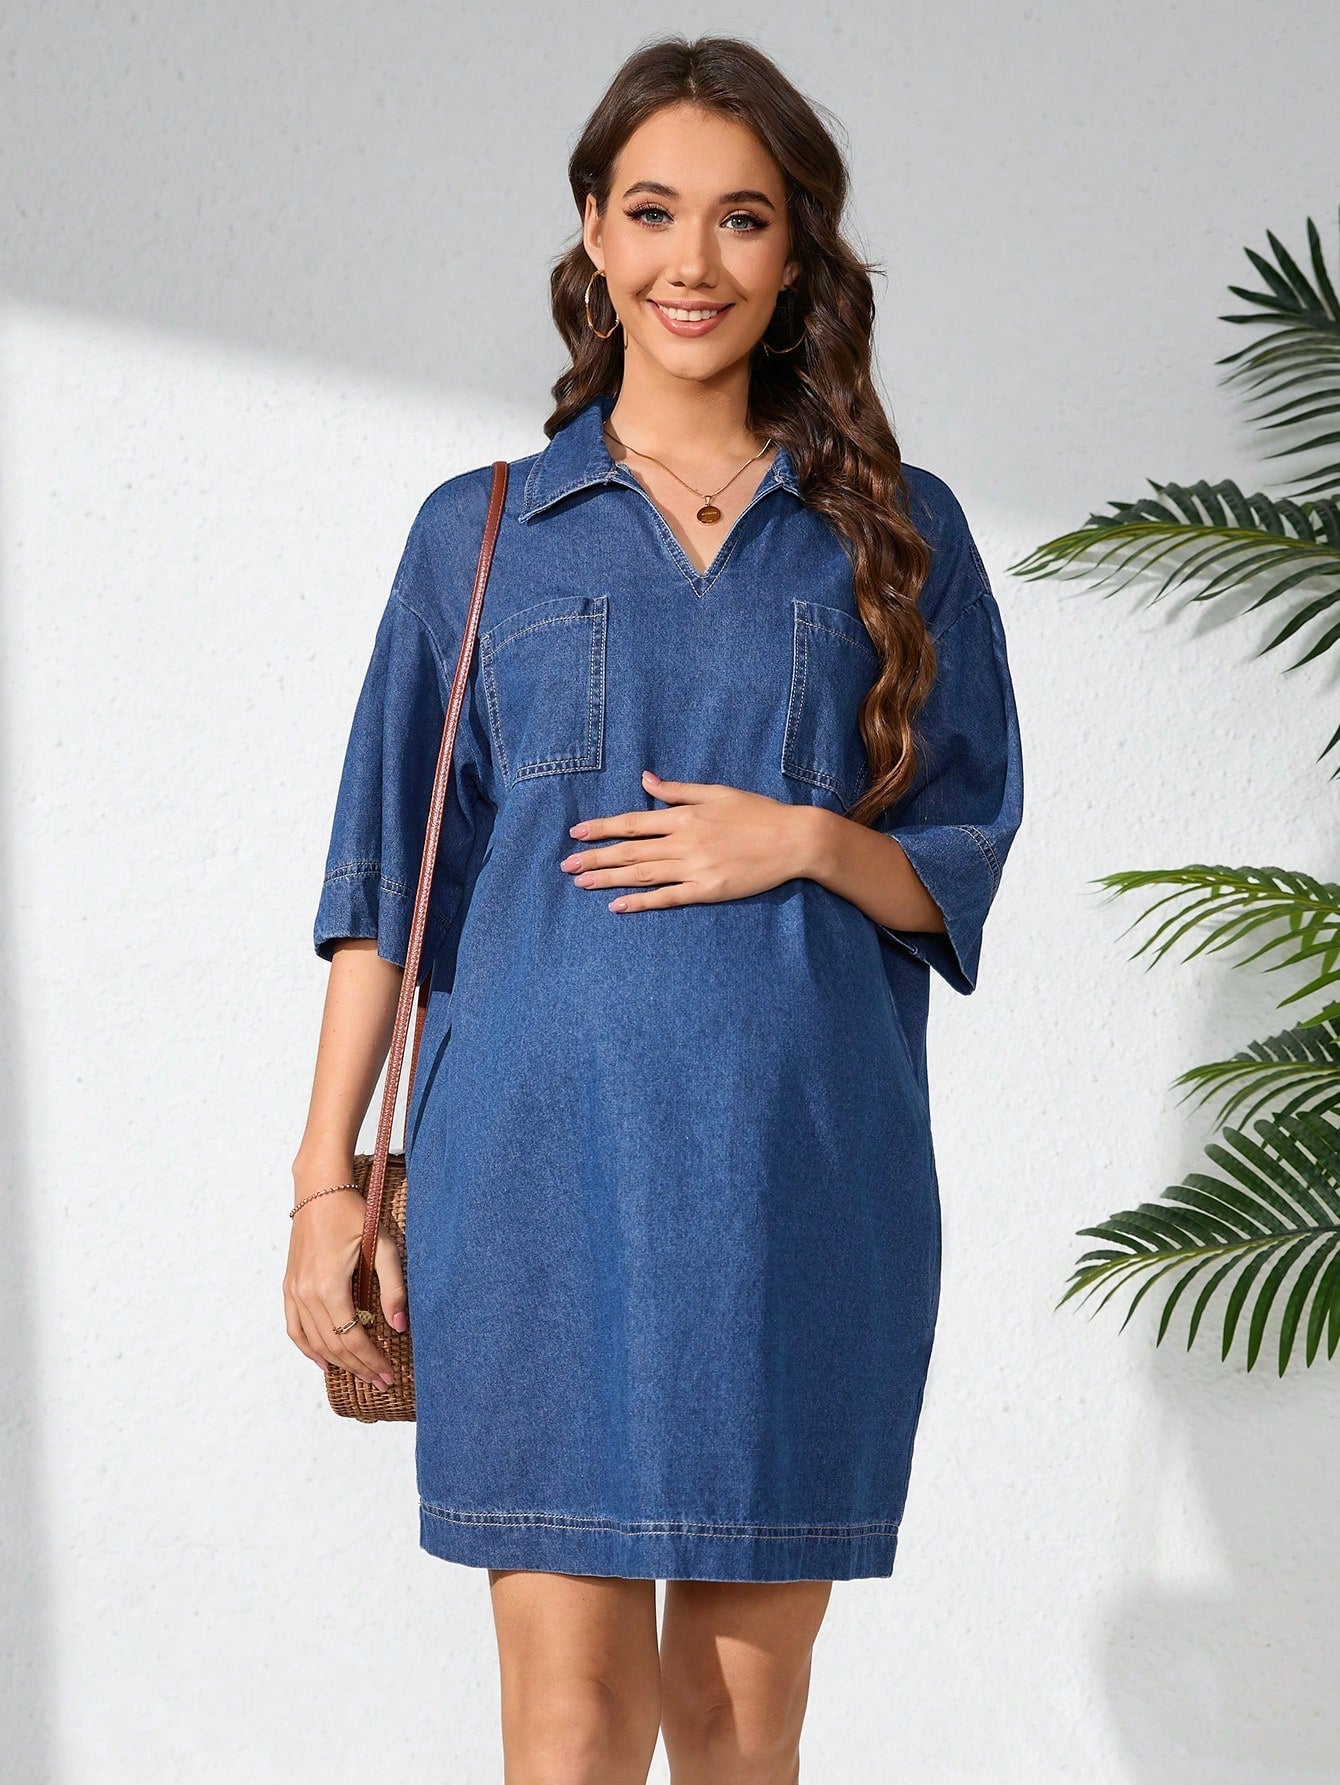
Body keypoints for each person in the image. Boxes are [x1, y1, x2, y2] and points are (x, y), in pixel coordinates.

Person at [285, 33, 1024, 1785]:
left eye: (743, 219)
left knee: (742, 1722)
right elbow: (387, 883)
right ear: (595, 234)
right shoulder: (481, 535)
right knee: (567, 1722)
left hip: (801, 1178)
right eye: (655, 211)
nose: (696, 261)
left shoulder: (898, 536)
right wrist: (324, 1183)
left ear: (797, 253)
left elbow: (964, 846)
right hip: (534, 1181)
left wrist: (807, 840)